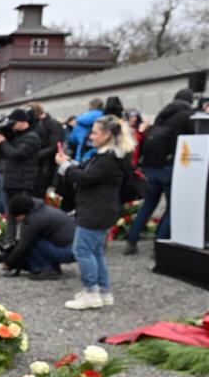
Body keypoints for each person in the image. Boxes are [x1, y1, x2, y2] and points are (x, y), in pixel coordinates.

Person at [55, 115, 135, 310]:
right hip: (102, 211)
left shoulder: (108, 159)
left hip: (96, 212)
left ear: (107, 135)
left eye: (95, 132)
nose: (91, 136)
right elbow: (86, 170)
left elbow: (85, 178)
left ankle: (91, 293)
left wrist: (64, 166)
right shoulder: (110, 155)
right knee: (96, 252)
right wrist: (69, 162)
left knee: (82, 250)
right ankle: (103, 291)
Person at [124, 88, 195, 254]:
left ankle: (131, 240)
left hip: (151, 168)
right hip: (170, 168)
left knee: (148, 205)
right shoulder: (187, 116)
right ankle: (160, 246)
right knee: (172, 208)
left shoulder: (162, 115)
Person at [0, 109, 41, 245]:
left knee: (24, 217)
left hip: (23, 183)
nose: (11, 125)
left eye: (14, 122)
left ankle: (25, 244)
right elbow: (5, 154)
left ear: (23, 122)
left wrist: (3, 142)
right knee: (10, 216)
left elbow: (16, 154)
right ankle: (9, 243)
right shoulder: (15, 136)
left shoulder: (32, 137)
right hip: (11, 181)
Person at [2, 194, 75, 280]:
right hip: (74, 248)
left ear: (22, 212)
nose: (17, 220)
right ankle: (53, 267)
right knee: (38, 239)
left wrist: (8, 263)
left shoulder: (34, 220)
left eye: (17, 216)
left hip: (68, 251)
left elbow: (23, 245)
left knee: (33, 242)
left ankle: (45, 269)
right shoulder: (41, 209)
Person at [30, 103, 65, 198]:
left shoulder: (53, 124)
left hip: (46, 167)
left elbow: (55, 147)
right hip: (36, 166)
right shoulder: (36, 124)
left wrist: (34, 155)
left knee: (39, 194)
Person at [67, 98, 104, 163]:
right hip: (102, 156)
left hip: (82, 157)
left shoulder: (80, 121)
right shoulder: (107, 118)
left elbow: (72, 140)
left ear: (90, 107)